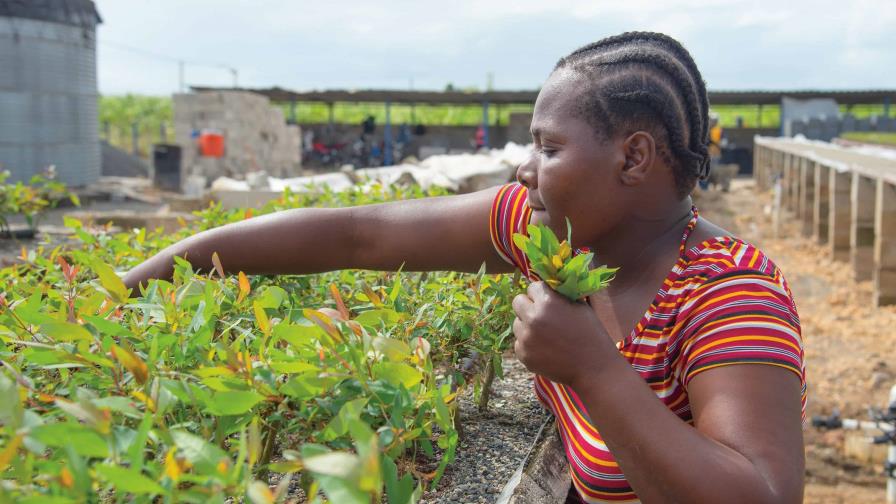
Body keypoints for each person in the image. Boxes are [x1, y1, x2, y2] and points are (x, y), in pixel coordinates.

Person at [123, 32, 805, 503]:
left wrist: (594, 369)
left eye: (548, 146)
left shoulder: (726, 296)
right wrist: (160, 269)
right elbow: (359, 236)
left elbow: (763, 494)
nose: (523, 167)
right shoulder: (555, 236)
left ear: (632, 158)